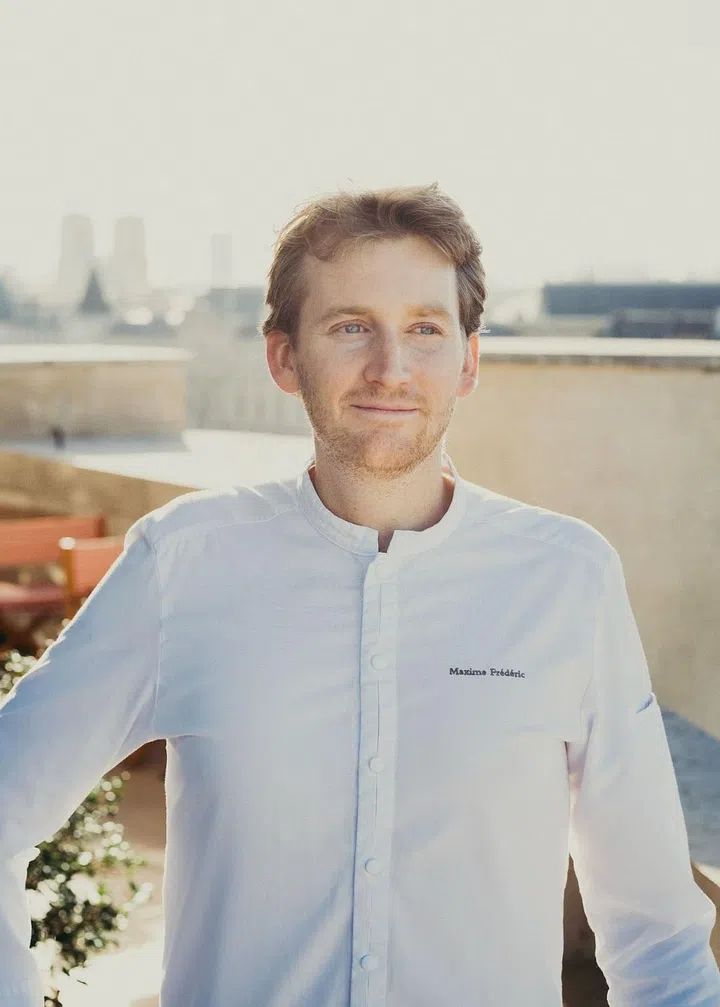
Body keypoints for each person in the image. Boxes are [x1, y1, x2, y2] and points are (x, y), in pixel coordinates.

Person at [1, 183, 718, 1006]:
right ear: (283, 355)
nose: (391, 368)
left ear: (469, 359)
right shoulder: (182, 563)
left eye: (424, 329)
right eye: (350, 327)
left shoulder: (568, 578)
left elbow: (659, 930)